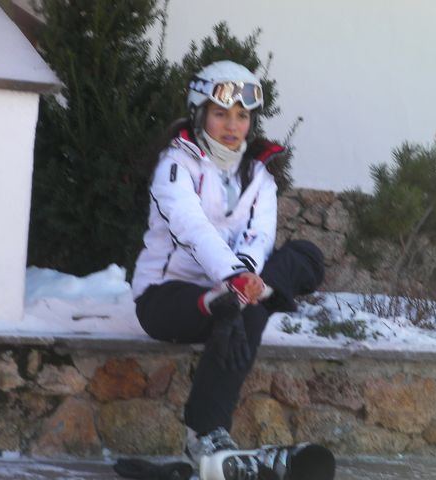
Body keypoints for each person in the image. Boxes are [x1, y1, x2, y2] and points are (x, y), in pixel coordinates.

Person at [131, 60, 324, 474]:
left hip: (231, 289)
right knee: (241, 308)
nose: (233, 125)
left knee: (302, 257)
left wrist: (246, 279)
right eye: (221, 114)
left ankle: (247, 296)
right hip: (167, 298)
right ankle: (205, 436)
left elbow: (259, 237)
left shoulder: (260, 176)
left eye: (242, 115)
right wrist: (234, 280)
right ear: (200, 114)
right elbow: (191, 227)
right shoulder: (175, 165)